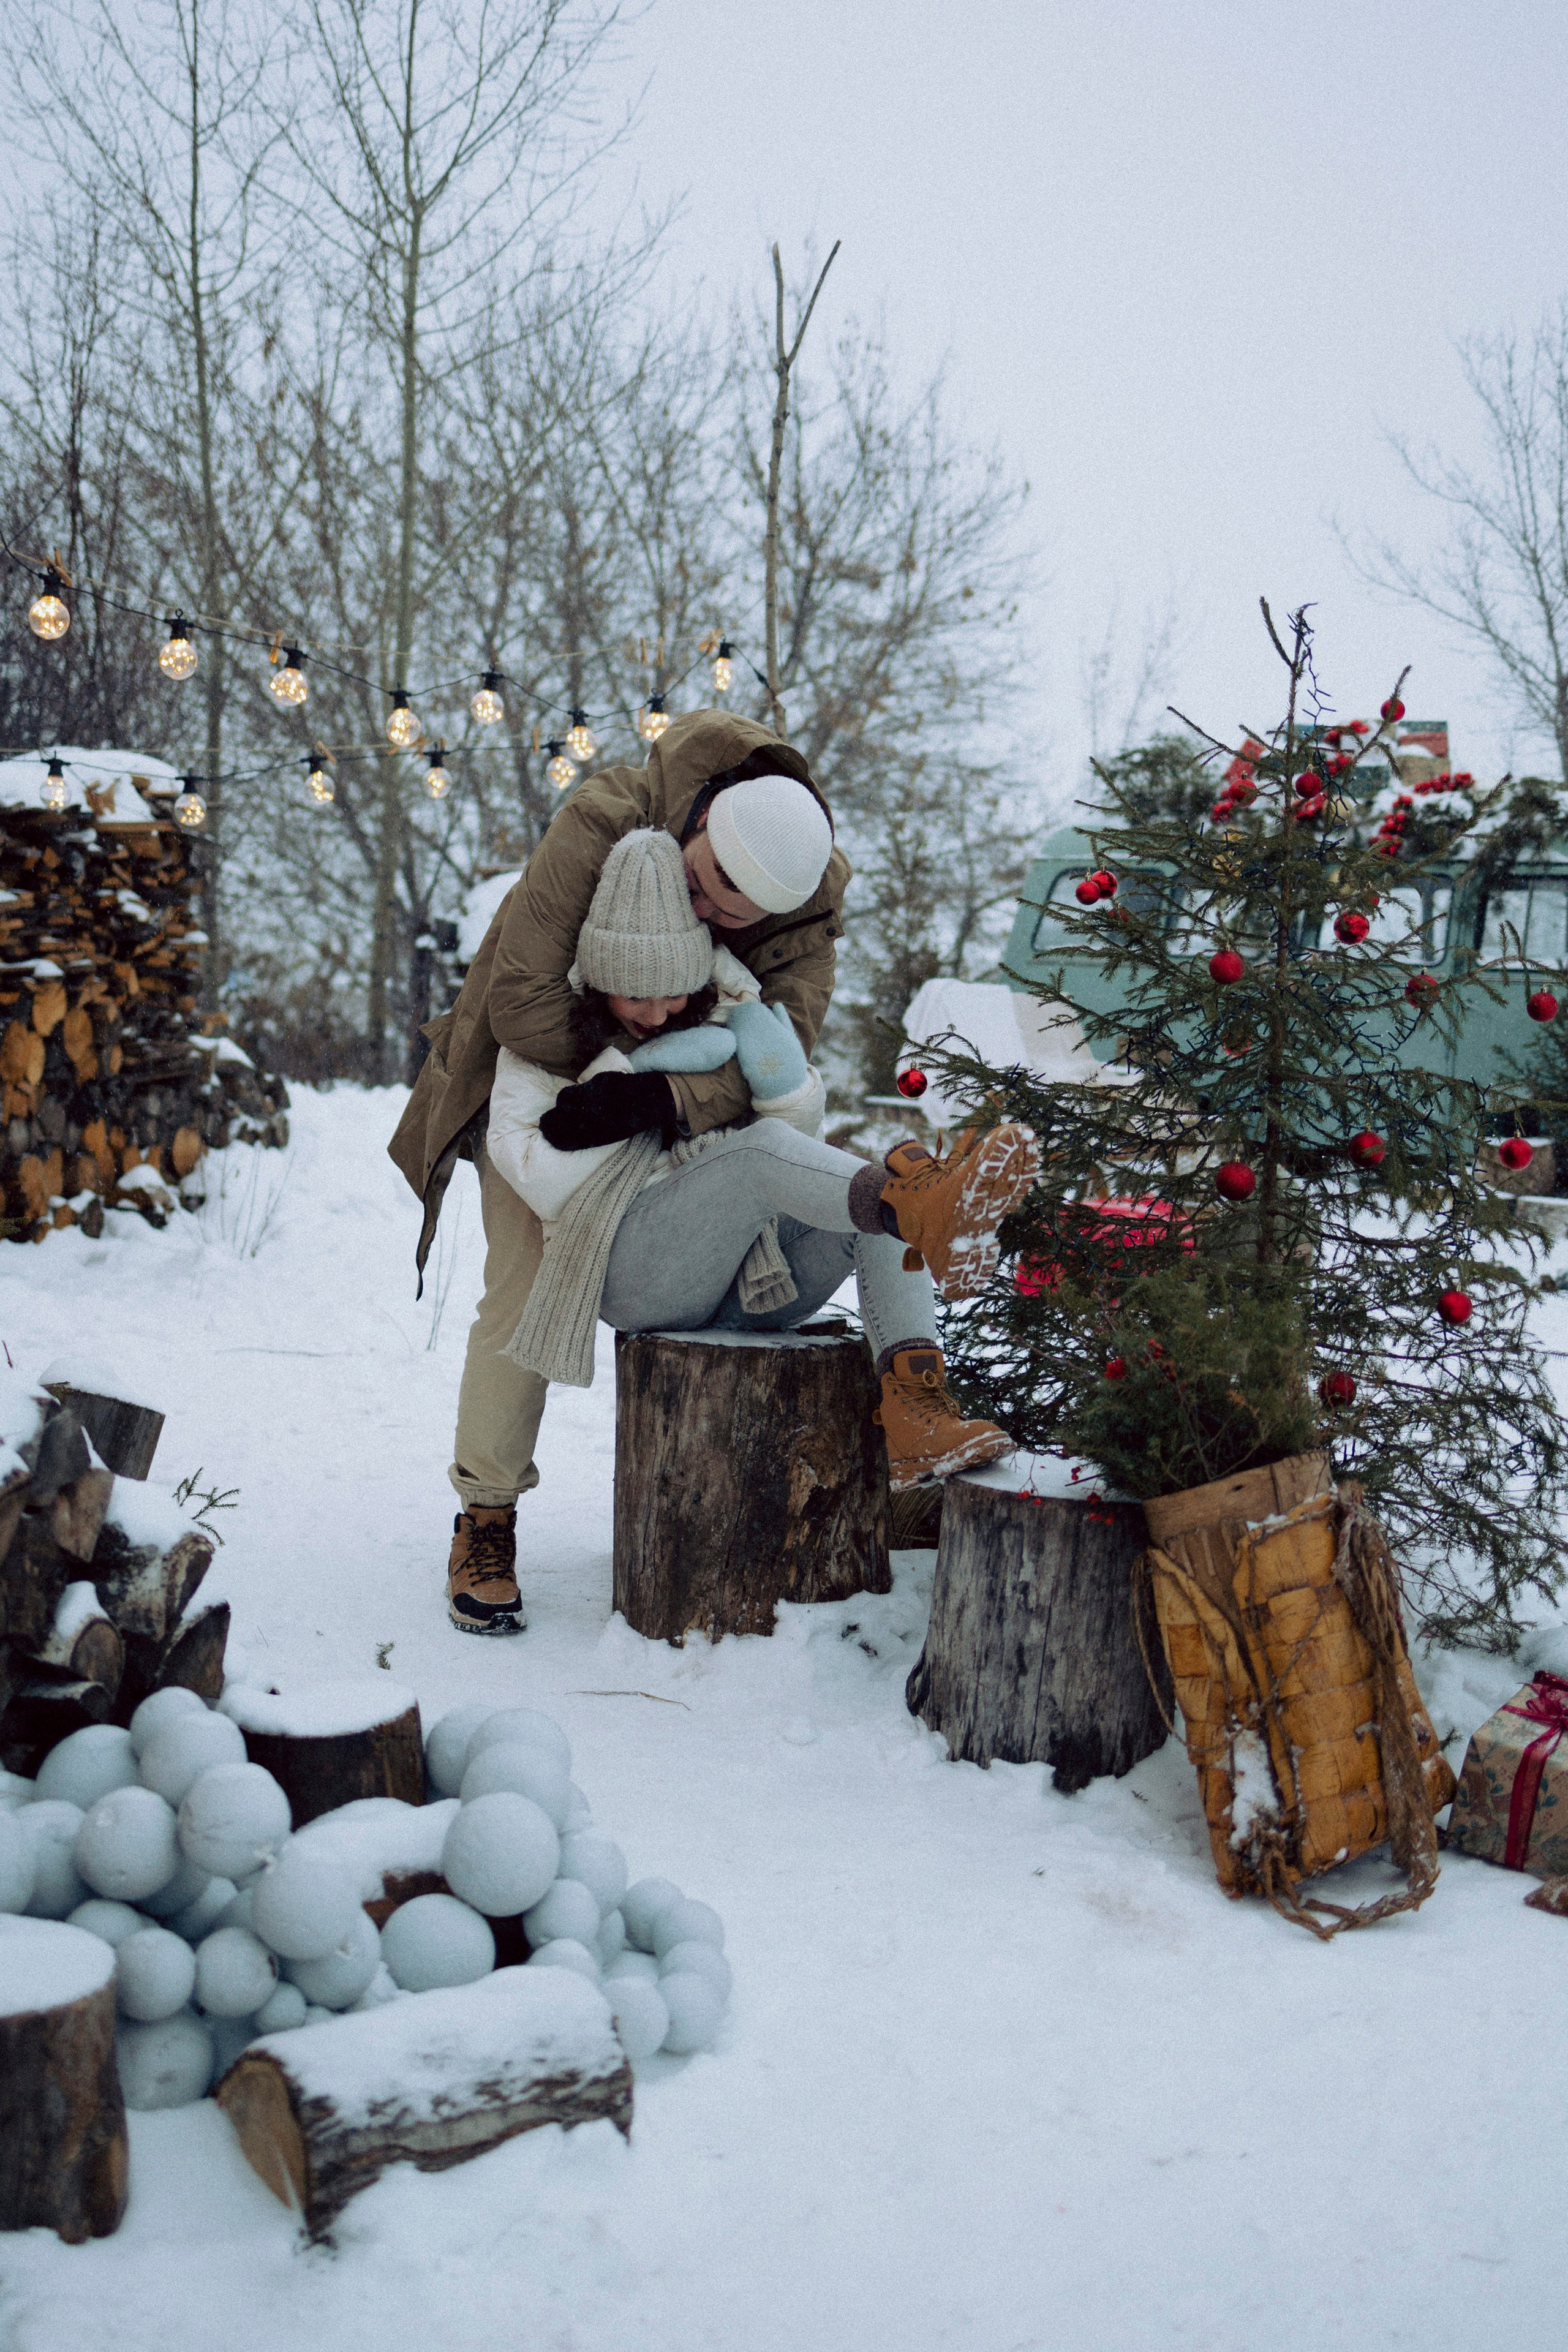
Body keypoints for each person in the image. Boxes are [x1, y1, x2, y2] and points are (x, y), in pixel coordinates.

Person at [390, 711, 852, 1635]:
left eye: (732, 919)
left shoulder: (806, 898)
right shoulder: (602, 817)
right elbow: (522, 1003)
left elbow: (783, 1051)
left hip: (681, 1087)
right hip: (536, 1072)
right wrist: (622, 1055)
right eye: (700, 887)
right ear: (703, 819)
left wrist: (662, 1095)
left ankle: (738, 1513)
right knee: (522, 1289)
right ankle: (485, 1516)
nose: (705, 918)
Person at [485, 827, 1036, 1566]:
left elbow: (794, 1116)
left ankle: (916, 1407)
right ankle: (925, 1208)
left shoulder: (728, 1001)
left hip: (750, 1270)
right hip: (632, 1271)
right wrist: (625, 1090)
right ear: (599, 977)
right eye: (636, 995)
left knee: (868, 1202)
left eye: (674, 990)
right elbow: (536, 1175)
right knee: (780, 1165)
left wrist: (710, 1082)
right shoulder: (547, 1040)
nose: (657, 1012)